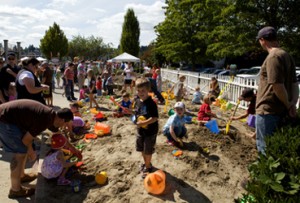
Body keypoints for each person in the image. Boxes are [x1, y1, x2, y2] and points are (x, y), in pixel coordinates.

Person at [0, 99, 82, 198]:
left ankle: (22, 176)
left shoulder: (53, 117)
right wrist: (31, 151)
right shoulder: (44, 120)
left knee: (23, 150)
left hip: (11, 118)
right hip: (5, 120)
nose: (64, 126)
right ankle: (15, 190)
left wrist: (74, 150)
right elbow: (26, 140)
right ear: (63, 120)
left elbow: (61, 137)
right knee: (19, 154)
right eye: (65, 124)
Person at [255, 26, 299, 154]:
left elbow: (277, 85)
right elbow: (294, 83)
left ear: (262, 40)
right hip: (280, 110)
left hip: (268, 110)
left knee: (265, 150)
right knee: (277, 150)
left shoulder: (273, 57)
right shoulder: (287, 55)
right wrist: (292, 104)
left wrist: (288, 104)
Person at [133, 77, 159, 178]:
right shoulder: (137, 101)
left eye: (143, 90)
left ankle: (148, 168)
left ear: (148, 90)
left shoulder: (151, 103)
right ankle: (146, 163)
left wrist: (144, 122)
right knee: (142, 148)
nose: (140, 93)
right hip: (141, 130)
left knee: (148, 150)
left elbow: (155, 118)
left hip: (150, 131)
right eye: (138, 90)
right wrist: (130, 112)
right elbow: (137, 112)